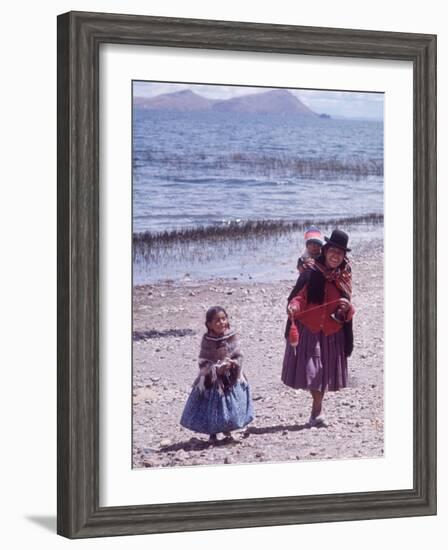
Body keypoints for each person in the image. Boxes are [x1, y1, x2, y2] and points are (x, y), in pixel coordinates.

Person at [282, 229, 355, 428]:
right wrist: (294, 306)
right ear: (326, 250)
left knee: (322, 374)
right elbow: (299, 297)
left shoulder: (343, 278)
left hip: (332, 333)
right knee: (314, 372)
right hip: (311, 330)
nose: (335, 256)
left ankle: (316, 411)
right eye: (332, 251)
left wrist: (347, 308)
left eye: (339, 254)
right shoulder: (311, 272)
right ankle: (317, 410)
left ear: (343, 257)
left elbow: (346, 313)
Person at [180, 306, 254, 443]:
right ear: (209, 324)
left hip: (230, 378)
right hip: (212, 380)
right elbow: (203, 361)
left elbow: (239, 355)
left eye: (223, 319)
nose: (221, 322)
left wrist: (232, 364)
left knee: (231, 404)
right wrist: (214, 369)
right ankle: (212, 434)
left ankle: (228, 428)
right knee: (212, 407)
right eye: (217, 320)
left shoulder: (231, 336)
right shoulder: (207, 340)